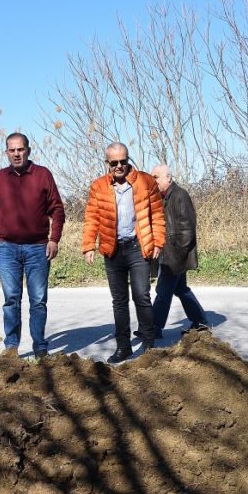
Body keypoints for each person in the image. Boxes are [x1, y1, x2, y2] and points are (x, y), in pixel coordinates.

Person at [0, 132, 65, 359]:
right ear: (6, 152)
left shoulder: (43, 175)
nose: (16, 154)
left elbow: (57, 210)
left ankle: (39, 346)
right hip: (7, 248)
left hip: (38, 248)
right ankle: (11, 347)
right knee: (11, 300)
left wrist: (54, 239)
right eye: (12, 150)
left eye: (20, 149)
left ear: (28, 150)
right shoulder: (0, 178)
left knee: (38, 301)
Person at [81, 142, 165, 363]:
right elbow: (91, 218)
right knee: (119, 301)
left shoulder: (145, 181)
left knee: (142, 296)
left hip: (139, 247)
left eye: (123, 161)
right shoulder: (98, 186)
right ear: (106, 162)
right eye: (114, 163)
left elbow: (157, 213)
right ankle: (123, 346)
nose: (119, 166)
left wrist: (158, 241)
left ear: (128, 160)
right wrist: (89, 245)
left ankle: (148, 345)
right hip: (113, 249)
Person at [150, 164, 208, 338]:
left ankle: (153, 328)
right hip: (168, 253)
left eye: (155, 177)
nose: (153, 181)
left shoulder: (180, 195)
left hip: (174, 255)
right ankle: (200, 321)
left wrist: (178, 255)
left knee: (163, 290)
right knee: (180, 289)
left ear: (168, 178)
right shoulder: (162, 197)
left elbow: (187, 228)